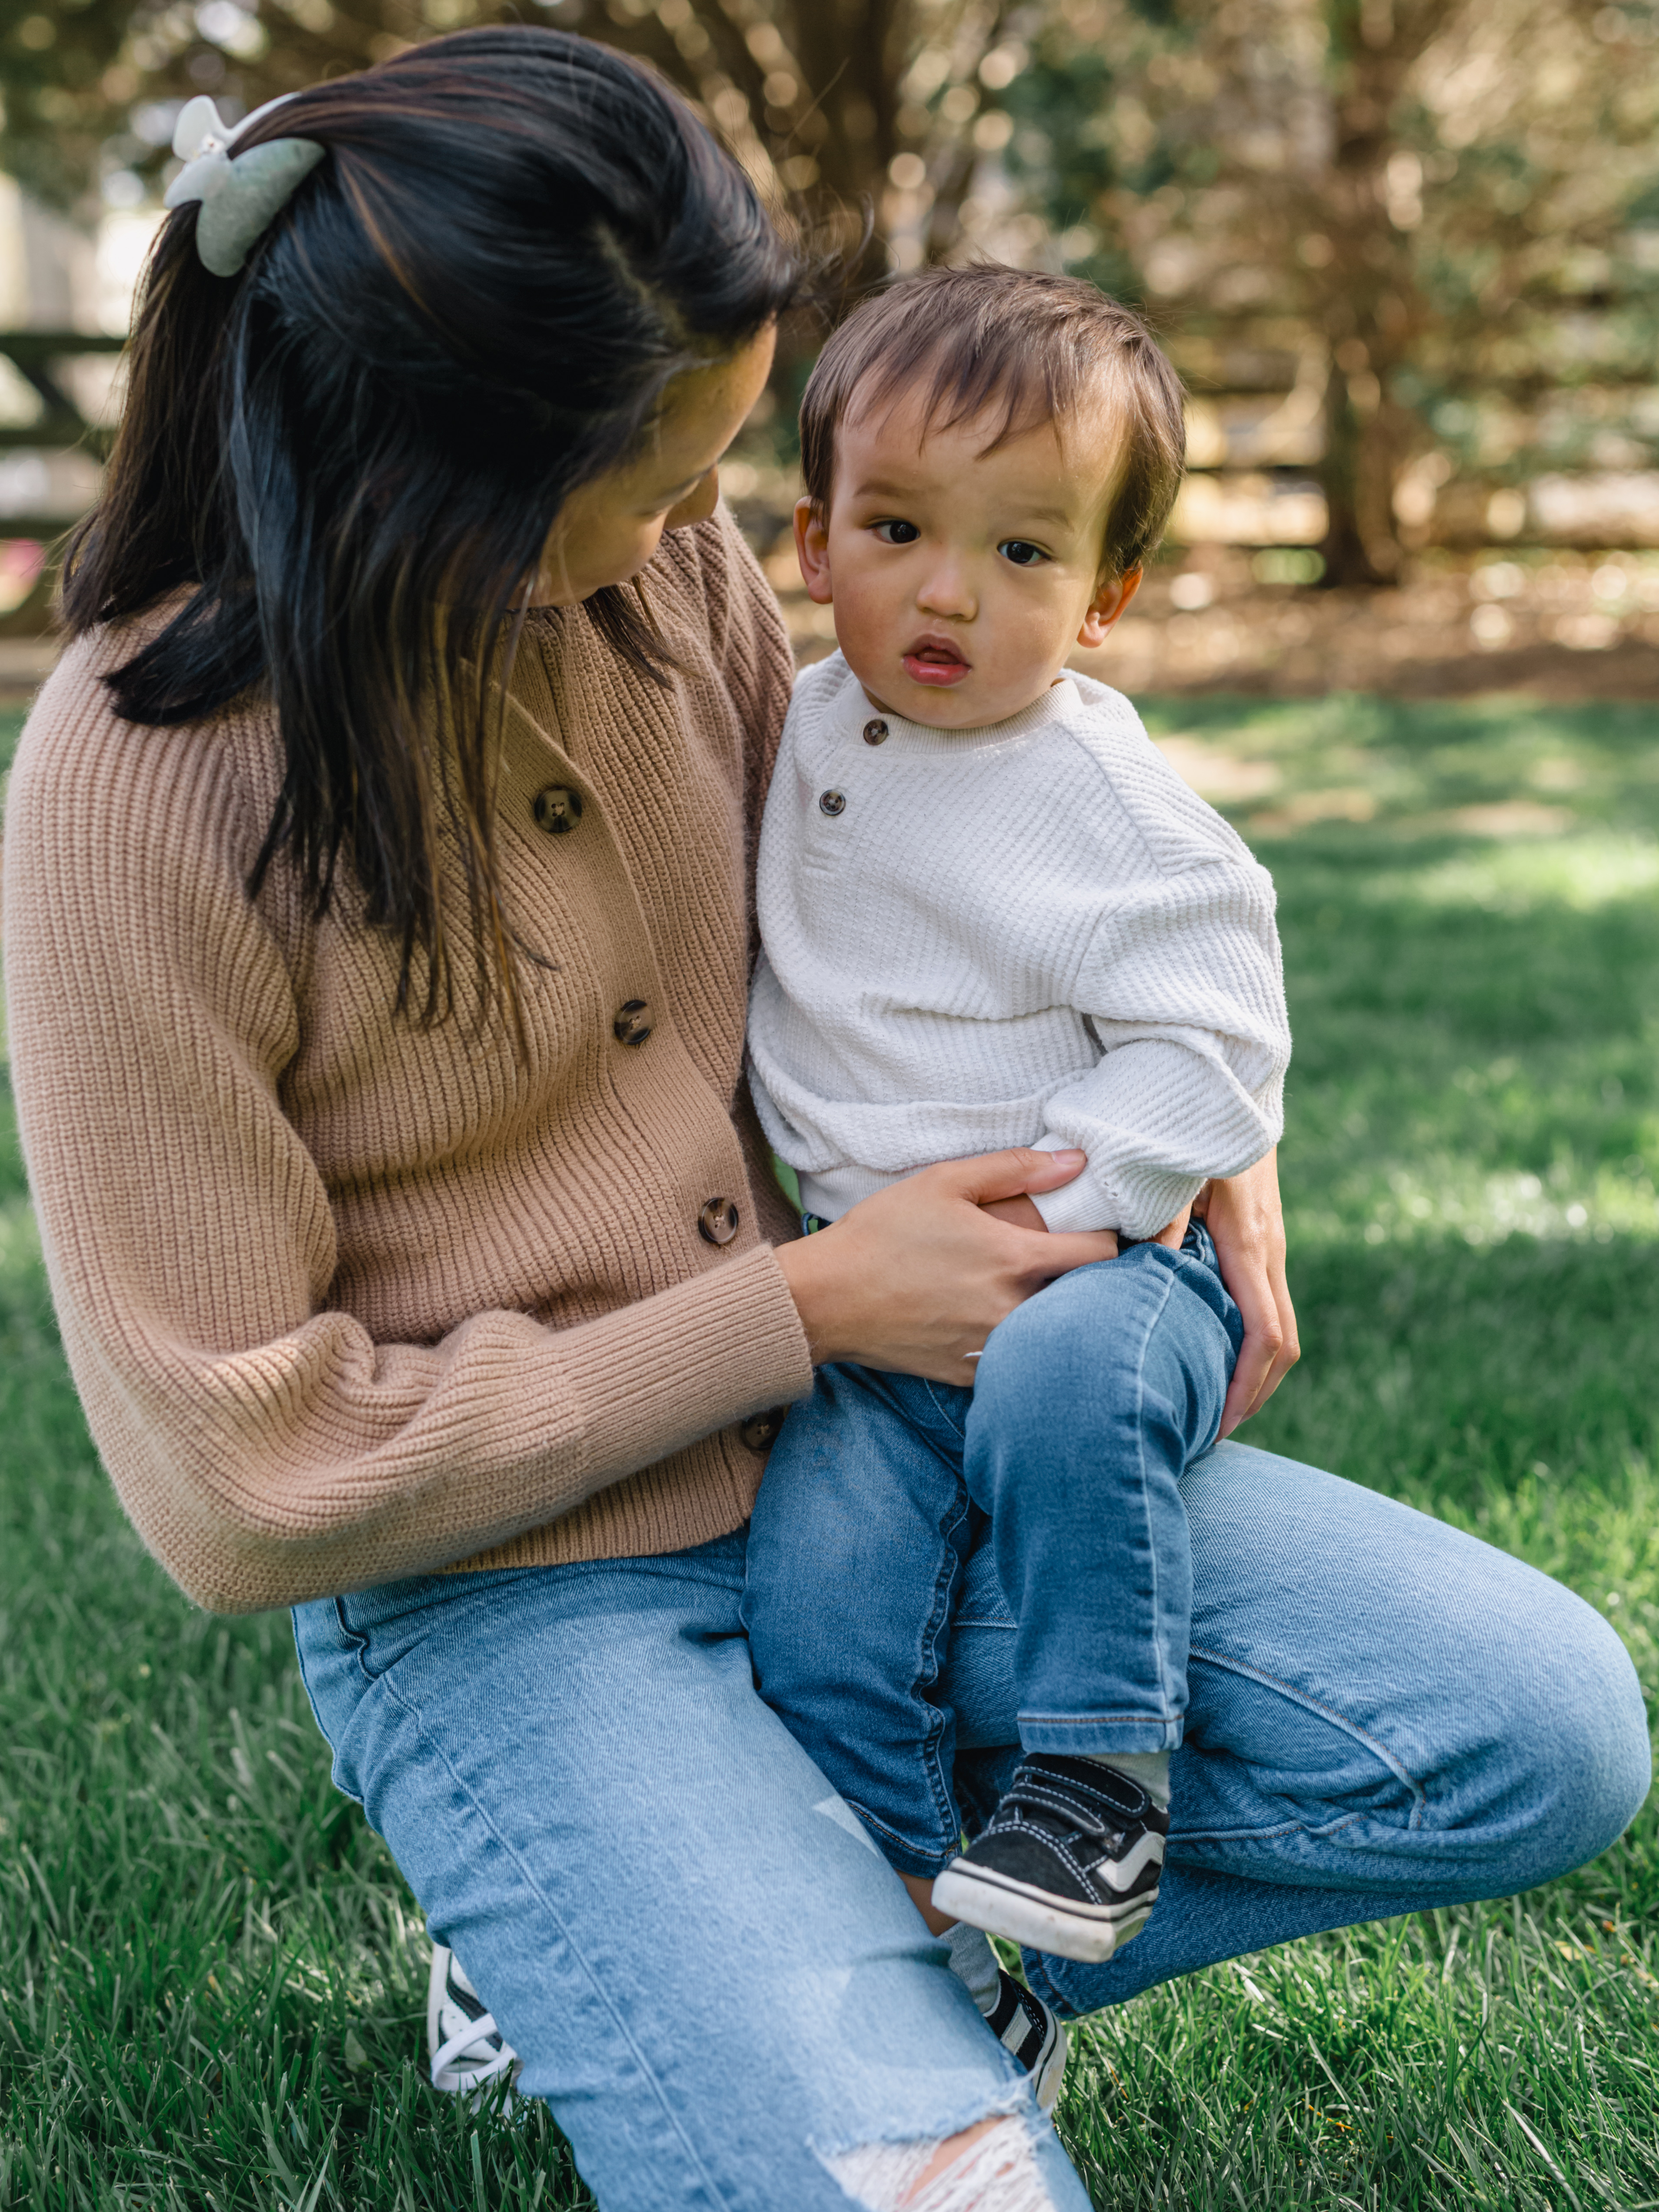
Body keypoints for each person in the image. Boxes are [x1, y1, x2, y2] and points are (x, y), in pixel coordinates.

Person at [1, 27, 1646, 2212]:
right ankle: (643, 1924)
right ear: (437, 481)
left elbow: (947, 887)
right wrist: (800, 1306)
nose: (714, 536)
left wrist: (1200, 1123)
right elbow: (241, 1482)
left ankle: (787, 1929)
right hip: (506, 1583)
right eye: (659, 481)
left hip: (885, 1460)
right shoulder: (140, 788)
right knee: (938, 2192)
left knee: (1531, 1726)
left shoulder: (645, 587)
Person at [741, 266, 1292, 1969]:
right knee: (813, 1597)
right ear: (813, 540)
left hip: (1101, 1273)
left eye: (1024, 552)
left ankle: (1098, 1781)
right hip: (872, 1308)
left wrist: (1065, 1219)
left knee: (1062, 1395)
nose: (948, 590)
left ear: (1105, 597)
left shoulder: (1100, 797)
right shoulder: (793, 727)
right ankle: (917, 1915)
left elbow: (1219, 1043)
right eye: (897, 527)